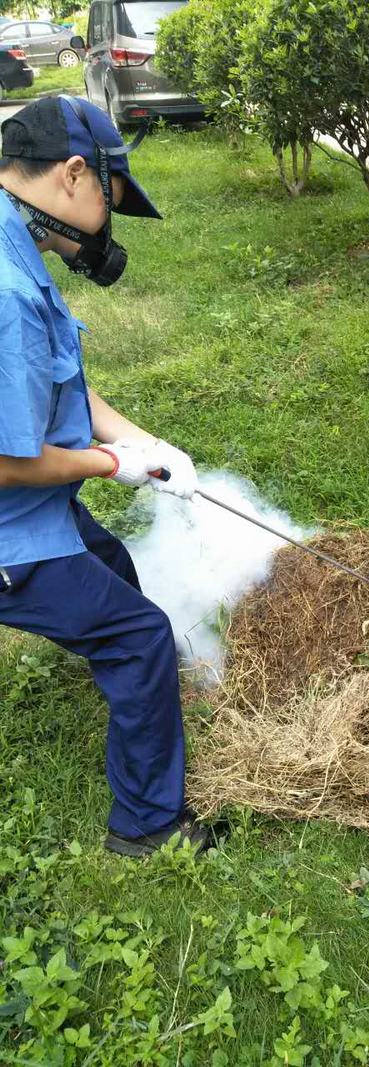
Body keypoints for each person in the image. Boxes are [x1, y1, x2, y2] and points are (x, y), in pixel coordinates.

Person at [0, 96, 208, 855]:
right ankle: (149, 827)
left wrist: (141, 440)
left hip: (34, 510)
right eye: (109, 203)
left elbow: (62, 386)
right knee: (141, 635)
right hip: (9, 535)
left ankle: (141, 693)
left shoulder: (16, 244)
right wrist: (111, 463)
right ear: (73, 174)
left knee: (111, 562)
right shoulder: (7, 291)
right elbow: (7, 462)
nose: (106, 227)